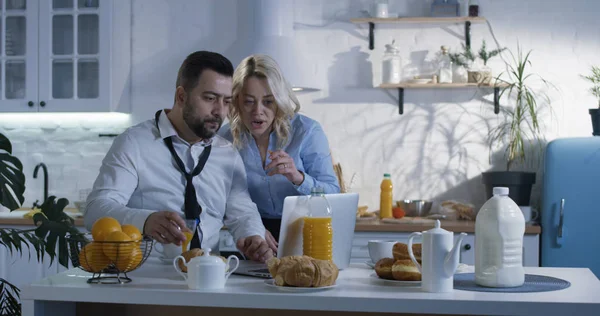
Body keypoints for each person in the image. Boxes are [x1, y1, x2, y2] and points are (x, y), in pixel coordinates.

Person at [84, 51, 273, 263]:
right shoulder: (134, 143)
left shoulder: (228, 153)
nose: (220, 111)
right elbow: (95, 209)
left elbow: (244, 212)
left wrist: (253, 237)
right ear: (181, 96)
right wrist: (145, 221)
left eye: (227, 101)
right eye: (210, 98)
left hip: (208, 277)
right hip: (146, 279)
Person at [218, 54, 340, 251]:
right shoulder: (224, 139)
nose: (258, 111)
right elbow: (219, 196)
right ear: (237, 101)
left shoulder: (307, 131)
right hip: (252, 236)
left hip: (306, 231)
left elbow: (334, 194)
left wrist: (298, 178)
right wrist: (252, 229)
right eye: (249, 101)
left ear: (279, 101)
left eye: (268, 101)